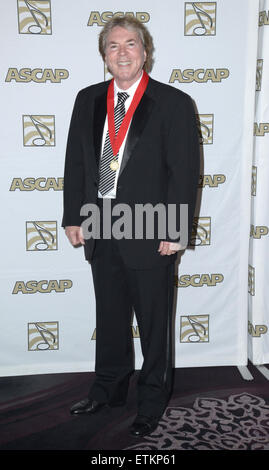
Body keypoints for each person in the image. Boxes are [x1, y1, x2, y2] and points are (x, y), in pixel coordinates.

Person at [62, 16, 200, 438]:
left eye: (131, 44)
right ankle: (108, 389)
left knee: (155, 323)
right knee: (111, 316)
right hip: (100, 224)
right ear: (104, 55)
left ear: (145, 51)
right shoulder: (87, 99)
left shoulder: (173, 102)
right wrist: (73, 216)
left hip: (151, 227)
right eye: (113, 46)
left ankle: (152, 401)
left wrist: (175, 229)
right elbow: (76, 163)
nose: (122, 53)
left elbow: (184, 171)